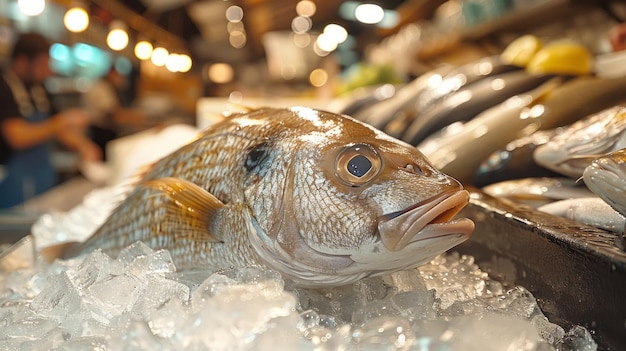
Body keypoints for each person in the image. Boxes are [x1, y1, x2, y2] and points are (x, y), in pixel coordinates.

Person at [0, 32, 101, 209]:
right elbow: (16, 136)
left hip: (42, 181)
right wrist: (63, 121)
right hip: (10, 187)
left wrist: (82, 146)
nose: (49, 71)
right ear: (22, 62)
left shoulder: (39, 89)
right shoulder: (3, 88)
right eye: (42, 64)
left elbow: (56, 127)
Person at [83, 65, 144, 160]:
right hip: (100, 131)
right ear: (111, 73)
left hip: (104, 130)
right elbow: (112, 112)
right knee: (103, 158)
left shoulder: (107, 86)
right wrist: (133, 118)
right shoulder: (101, 88)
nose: (119, 78)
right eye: (117, 75)